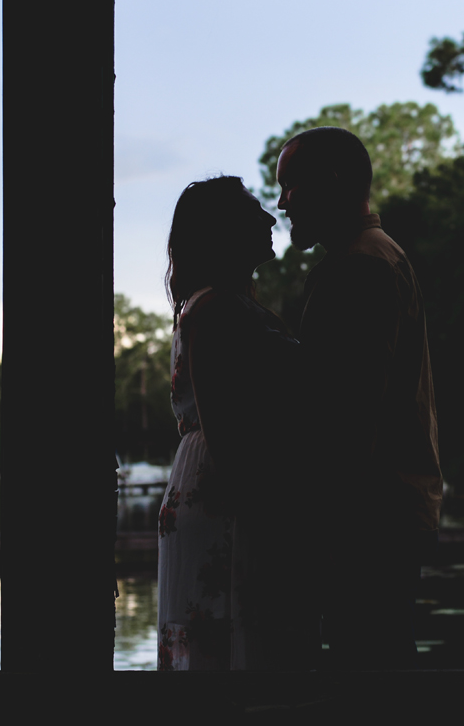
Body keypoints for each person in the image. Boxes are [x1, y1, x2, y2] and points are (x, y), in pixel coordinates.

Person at [275, 126, 443, 670]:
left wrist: (321, 533)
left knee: (370, 674)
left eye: (290, 186)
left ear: (331, 181)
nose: (281, 204)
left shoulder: (359, 268)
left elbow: (348, 418)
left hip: (368, 523)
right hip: (382, 515)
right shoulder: (373, 256)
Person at [156, 175, 318, 671]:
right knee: (238, 640)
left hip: (209, 488)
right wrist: (278, 523)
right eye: (255, 214)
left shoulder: (214, 306)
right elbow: (230, 433)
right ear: (222, 232)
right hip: (228, 499)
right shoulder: (219, 311)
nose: (271, 219)